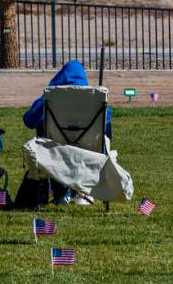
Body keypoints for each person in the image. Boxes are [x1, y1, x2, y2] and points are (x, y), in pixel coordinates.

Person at [21, 60, 112, 205]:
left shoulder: (50, 97)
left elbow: (29, 121)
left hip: (56, 149)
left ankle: (61, 193)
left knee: (44, 131)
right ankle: (84, 192)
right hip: (87, 148)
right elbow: (106, 123)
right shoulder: (95, 99)